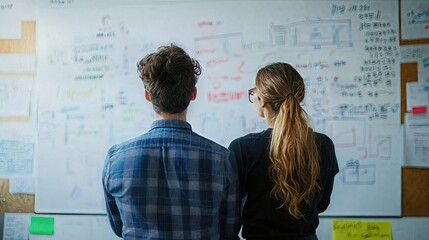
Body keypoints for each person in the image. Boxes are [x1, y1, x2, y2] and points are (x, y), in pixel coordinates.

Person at [102, 44, 241, 240]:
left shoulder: (116, 159)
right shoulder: (222, 159)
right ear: (193, 94)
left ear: (147, 95)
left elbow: (118, 226)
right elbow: (229, 230)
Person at [228, 62, 339, 240]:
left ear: (261, 99)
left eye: (253, 92)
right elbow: (323, 204)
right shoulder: (324, 145)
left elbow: (231, 209)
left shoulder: (241, 148)